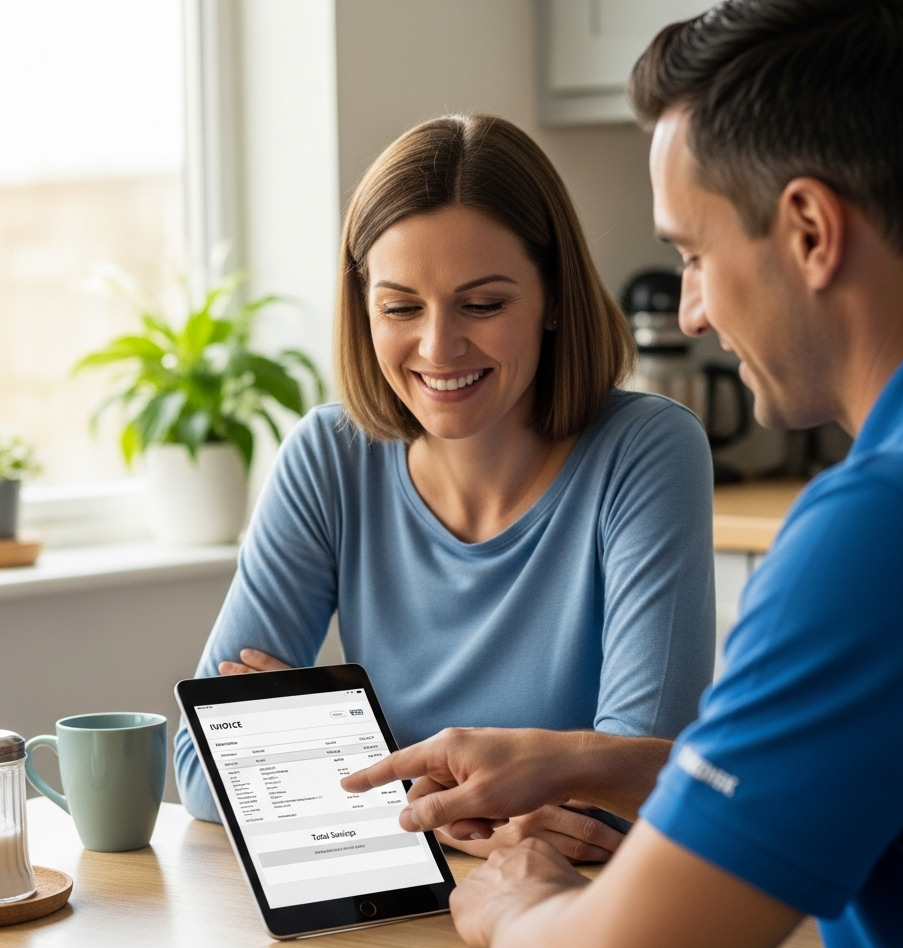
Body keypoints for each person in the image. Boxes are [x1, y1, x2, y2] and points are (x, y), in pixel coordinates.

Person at [341, 2, 903, 948]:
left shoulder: (888, 533)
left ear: (809, 230)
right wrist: (592, 762)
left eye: (694, 254)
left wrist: (518, 903)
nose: (693, 310)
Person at [173, 114, 716, 863]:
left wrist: (326, 751)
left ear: (555, 297)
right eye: (400, 307)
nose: (438, 346)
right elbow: (203, 770)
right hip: (394, 910)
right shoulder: (329, 457)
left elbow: (630, 799)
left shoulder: (647, 450)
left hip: (571, 911)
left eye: (483, 304)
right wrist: (444, 810)